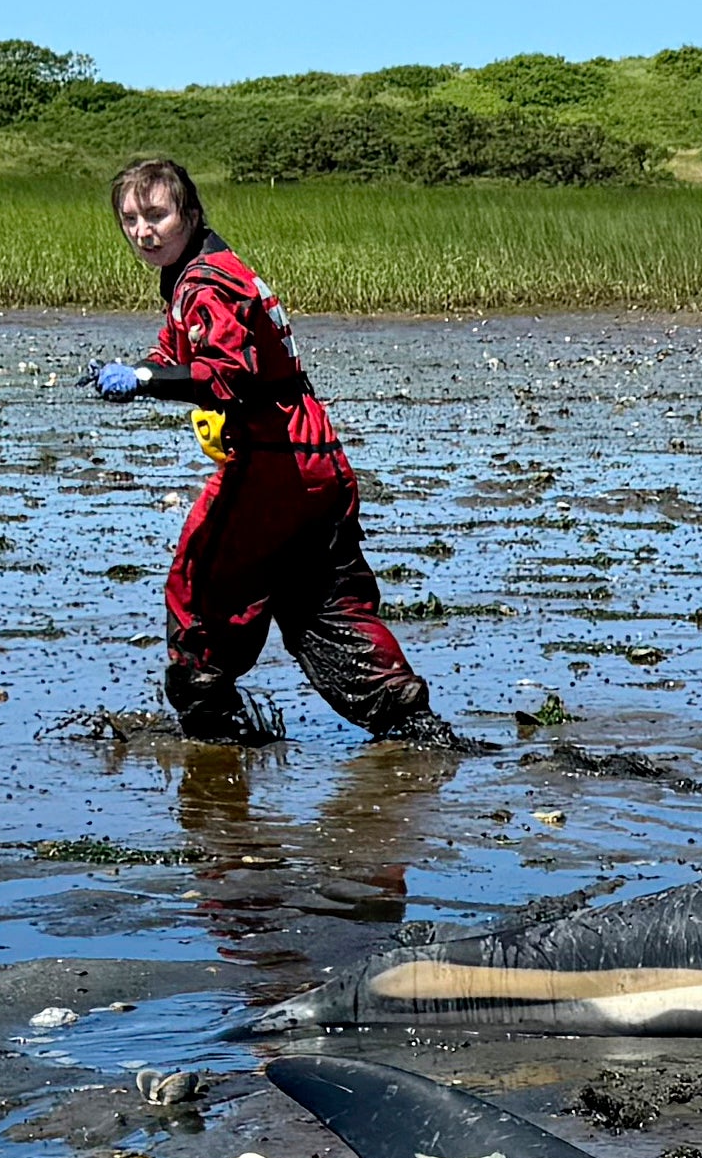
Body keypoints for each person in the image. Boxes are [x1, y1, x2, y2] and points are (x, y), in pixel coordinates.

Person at [86, 158, 478, 750]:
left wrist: (142, 381)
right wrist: (141, 370)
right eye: (130, 220)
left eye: (157, 215)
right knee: (323, 600)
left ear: (189, 213)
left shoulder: (206, 284)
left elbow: (227, 372)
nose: (144, 231)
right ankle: (411, 725)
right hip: (315, 454)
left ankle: (211, 726)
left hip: (273, 463)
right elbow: (175, 353)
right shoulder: (210, 269)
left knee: (199, 583)